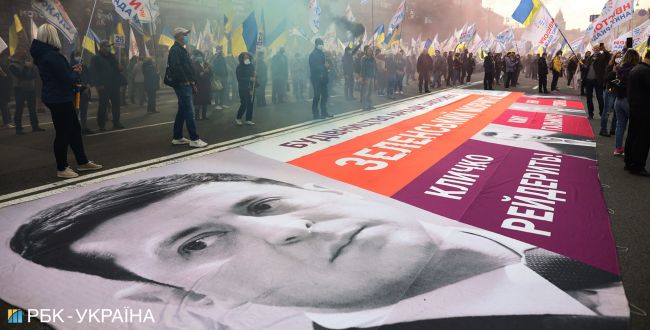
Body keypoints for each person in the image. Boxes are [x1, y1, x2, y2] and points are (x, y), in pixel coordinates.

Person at [10, 172, 626, 330]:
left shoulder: (559, 257)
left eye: (260, 207)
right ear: (186, 302)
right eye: (197, 245)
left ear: (313, 190)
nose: (287, 230)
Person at [29, 24, 102, 178]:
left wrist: (70, 71)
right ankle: (62, 168)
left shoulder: (44, 55)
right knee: (63, 133)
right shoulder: (53, 56)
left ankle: (82, 162)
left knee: (74, 129)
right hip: (60, 98)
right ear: (53, 36)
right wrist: (76, 73)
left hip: (56, 96)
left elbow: (59, 75)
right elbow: (67, 79)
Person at [166, 27, 207, 148]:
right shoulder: (175, 50)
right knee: (189, 111)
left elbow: (187, 67)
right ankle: (194, 139)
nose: (186, 36)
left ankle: (177, 137)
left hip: (187, 83)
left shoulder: (181, 49)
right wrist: (185, 81)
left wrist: (192, 82)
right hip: (183, 84)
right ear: (178, 35)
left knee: (182, 111)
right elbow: (177, 67)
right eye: (185, 34)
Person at [624, 50, 650, 176]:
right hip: (644, 109)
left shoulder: (636, 68)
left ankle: (629, 162)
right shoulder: (646, 71)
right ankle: (637, 166)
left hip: (635, 107)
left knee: (632, 135)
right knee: (642, 139)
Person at [90, 40, 124, 131]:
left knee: (116, 104)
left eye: (109, 46)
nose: (109, 47)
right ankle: (101, 125)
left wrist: (120, 67)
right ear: (102, 47)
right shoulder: (96, 58)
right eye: (107, 46)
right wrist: (98, 85)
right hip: (104, 86)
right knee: (103, 106)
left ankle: (116, 122)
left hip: (114, 84)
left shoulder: (112, 57)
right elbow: (93, 72)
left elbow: (118, 68)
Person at [9, 47, 44, 134]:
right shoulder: (13, 65)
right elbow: (21, 76)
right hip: (19, 89)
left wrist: (30, 67)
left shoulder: (28, 64)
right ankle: (18, 128)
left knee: (32, 109)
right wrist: (26, 67)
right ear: (17, 55)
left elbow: (34, 75)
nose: (24, 55)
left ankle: (35, 126)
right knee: (19, 109)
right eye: (22, 53)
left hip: (30, 89)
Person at [613, 49, 639, 156]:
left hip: (618, 100)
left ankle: (618, 149)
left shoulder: (619, 69)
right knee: (634, 126)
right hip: (629, 100)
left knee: (620, 126)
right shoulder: (635, 70)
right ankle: (630, 150)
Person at [581, 45, 609, 119]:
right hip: (588, 80)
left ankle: (602, 113)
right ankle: (590, 113)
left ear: (599, 49)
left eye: (598, 48)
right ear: (593, 49)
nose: (596, 49)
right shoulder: (589, 57)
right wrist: (584, 67)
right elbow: (586, 67)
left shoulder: (602, 56)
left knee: (600, 97)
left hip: (597, 80)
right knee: (588, 98)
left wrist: (605, 50)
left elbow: (607, 58)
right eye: (595, 48)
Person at [309, 38, 331, 119]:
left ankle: (324, 112)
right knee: (317, 96)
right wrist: (324, 66)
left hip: (323, 78)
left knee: (325, 96)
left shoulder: (322, 53)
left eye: (322, 44)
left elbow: (323, 64)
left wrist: (327, 67)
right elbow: (313, 67)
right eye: (320, 44)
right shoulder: (312, 55)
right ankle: (315, 114)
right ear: (316, 44)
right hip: (316, 79)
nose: (321, 45)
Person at [599, 54, 618, 137]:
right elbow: (606, 78)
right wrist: (614, 71)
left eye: (621, 56)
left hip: (618, 91)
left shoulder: (623, 66)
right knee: (607, 110)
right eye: (617, 56)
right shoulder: (610, 66)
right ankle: (603, 130)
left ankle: (613, 129)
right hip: (610, 90)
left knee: (616, 112)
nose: (619, 58)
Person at [235, 51, 256, 125]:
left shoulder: (251, 66)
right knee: (244, 103)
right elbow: (239, 78)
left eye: (248, 57)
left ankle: (248, 119)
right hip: (243, 88)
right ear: (241, 58)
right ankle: (238, 118)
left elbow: (254, 77)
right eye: (245, 57)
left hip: (251, 88)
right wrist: (249, 78)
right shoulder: (239, 67)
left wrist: (255, 75)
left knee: (250, 104)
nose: (247, 58)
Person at [192, 50, 212, 120]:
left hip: (206, 85)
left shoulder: (206, 64)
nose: (199, 57)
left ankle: (204, 115)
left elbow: (211, 74)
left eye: (200, 56)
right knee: (198, 101)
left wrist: (209, 72)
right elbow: (193, 75)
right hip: (198, 85)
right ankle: (197, 116)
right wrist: (200, 74)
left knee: (205, 101)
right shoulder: (194, 65)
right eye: (198, 56)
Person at [211, 45, 228, 110]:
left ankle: (222, 103)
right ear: (216, 50)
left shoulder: (222, 57)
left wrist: (226, 74)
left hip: (224, 76)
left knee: (223, 90)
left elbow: (225, 66)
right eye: (219, 49)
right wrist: (215, 75)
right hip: (217, 76)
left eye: (221, 49)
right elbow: (213, 66)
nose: (220, 50)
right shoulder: (214, 57)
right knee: (217, 90)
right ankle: (217, 104)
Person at [360, 45, 376, 110]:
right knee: (365, 92)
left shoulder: (373, 58)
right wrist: (364, 78)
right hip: (367, 77)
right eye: (369, 50)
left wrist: (375, 77)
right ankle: (364, 106)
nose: (370, 52)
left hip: (372, 76)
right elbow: (363, 69)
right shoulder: (364, 58)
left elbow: (375, 68)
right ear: (366, 51)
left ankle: (369, 105)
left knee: (370, 92)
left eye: (371, 51)